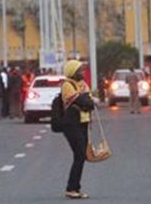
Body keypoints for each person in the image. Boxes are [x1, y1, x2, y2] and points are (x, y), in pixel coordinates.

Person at [60, 60, 95, 200]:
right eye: (79, 70)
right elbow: (84, 101)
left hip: (83, 123)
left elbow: (89, 102)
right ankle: (72, 188)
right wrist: (86, 99)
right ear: (72, 72)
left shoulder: (82, 85)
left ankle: (74, 187)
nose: (82, 72)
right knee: (80, 155)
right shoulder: (67, 85)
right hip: (71, 124)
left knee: (81, 156)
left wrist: (86, 100)